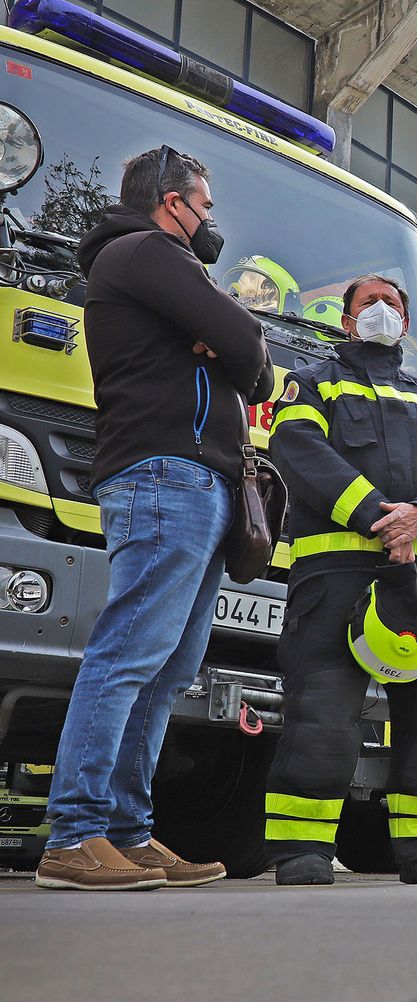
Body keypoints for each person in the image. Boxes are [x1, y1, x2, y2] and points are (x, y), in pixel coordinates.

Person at [35, 146, 272, 891]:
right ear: (173, 203)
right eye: (204, 207)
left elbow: (251, 362)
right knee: (129, 654)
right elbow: (247, 345)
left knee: (169, 667)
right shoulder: (145, 250)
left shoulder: (161, 268)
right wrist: (227, 340)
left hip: (196, 482)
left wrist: (231, 345)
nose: (209, 222)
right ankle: (75, 834)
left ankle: (130, 832)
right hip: (165, 476)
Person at [262, 274, 417, 886]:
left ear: (406, 325)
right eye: (370, 303)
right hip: (335, 577)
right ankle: (301, 848)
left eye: (393, 304)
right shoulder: (312, 381)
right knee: (323, 718)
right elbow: (297, 446)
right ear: (346, 318)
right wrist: (377, 517)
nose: (382, 311)